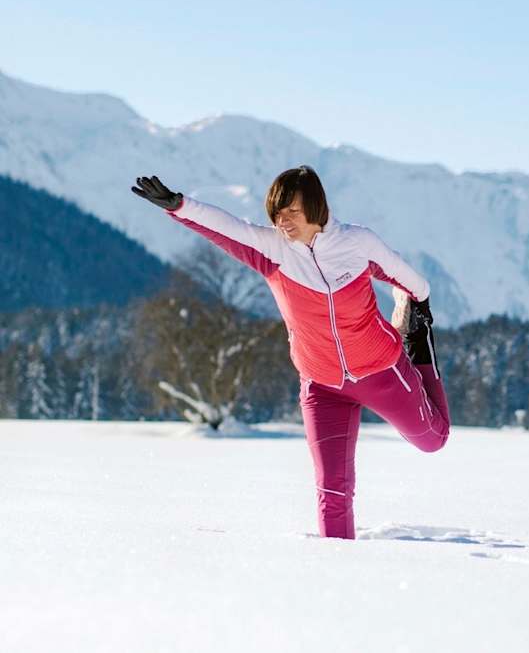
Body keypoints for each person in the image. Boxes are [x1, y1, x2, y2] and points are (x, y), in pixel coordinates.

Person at [131, 169, 450, 540]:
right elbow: (224, 226)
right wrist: (179, 205)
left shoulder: (358, 243)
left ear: (316, 207)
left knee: (433, 440)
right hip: (322, 386)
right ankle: (338, 574)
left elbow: (416, 286)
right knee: (332, 490)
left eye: (292, 212)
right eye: (277, 214)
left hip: (382, 370)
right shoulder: (273, 252)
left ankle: (417, 347)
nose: (283, 222)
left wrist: (419, 310)